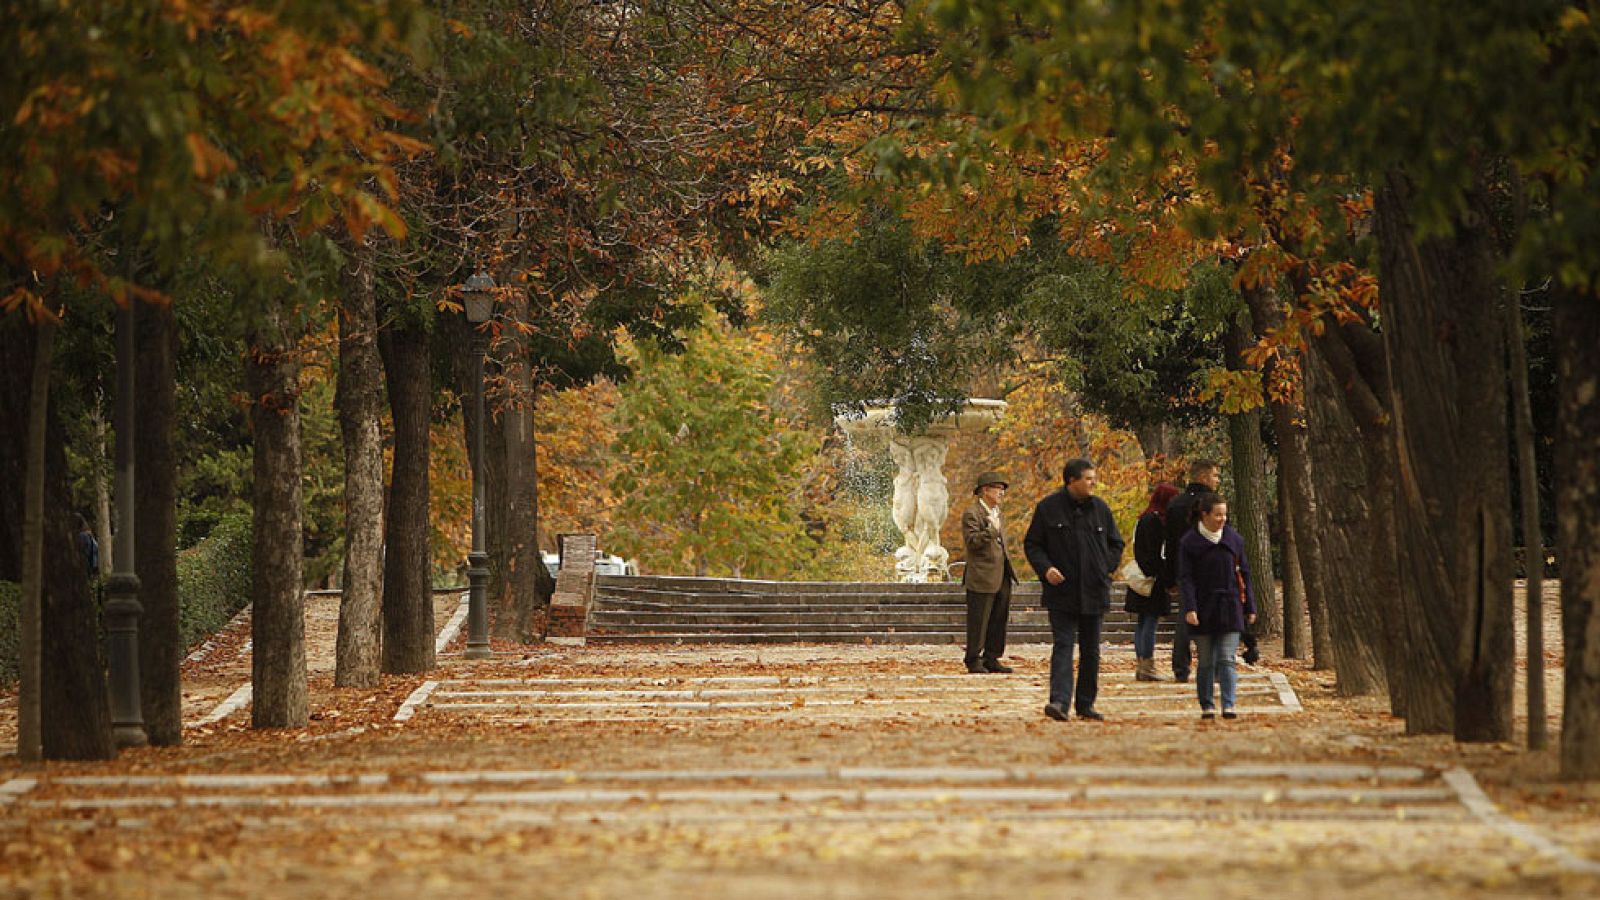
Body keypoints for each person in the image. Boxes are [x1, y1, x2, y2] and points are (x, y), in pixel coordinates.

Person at [1024, 458, 1124, 722]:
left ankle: (1086, 704)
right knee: (1064, 646)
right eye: (1089, 478)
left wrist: (1105, 567)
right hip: (1062, 592)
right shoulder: (1048, 509)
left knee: (1091, 651)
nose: (1094, 483)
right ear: (1072, 480)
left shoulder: (1101, 509)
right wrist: (1046, 569)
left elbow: (1117, 543)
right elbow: (1033, 545)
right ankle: (1059, 701)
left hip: (1094, 590)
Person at [1177, 493, 1258, 720]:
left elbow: (1245, 575)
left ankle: (1229, 704)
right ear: (1205, 515)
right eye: (1217, 514)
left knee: (1226, 657)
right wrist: (1190, 608)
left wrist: (1250, 606)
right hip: (1202, 608)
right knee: (1206, 660)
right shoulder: (1189, 542)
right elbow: (1186, 578)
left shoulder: (1234, 540)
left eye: (1225, 514)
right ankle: (1207, 704)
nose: (1222, 519)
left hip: (1230, 606)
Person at [1162, 459, 1221, 682]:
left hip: (1183, 568)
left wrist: (1170, 577)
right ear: (1204, 477)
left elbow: (1169, 543)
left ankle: (1180, 666)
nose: (1217, 480)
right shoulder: (1214, 504)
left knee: (1185, 616)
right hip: (1210, 568)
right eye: (1215, 475)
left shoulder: (1176, 504)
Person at [961, 471, 1017, 674]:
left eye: (1003, 489)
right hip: (981, 575)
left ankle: (992, 657)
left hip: (1002, 573)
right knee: (979, 619)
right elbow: (972, 542)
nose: (1002, 493)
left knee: (999, 618)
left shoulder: (997, 513)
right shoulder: (972, 513)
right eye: (998, 488)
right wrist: (991, 530)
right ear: (985, 490)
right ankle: (973, 659)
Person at [1125, 483, 1180, 682]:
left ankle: (1142, 664)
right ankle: (1147, 665)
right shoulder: (1156, 521)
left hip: (1143, 577)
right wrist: (1165, 577)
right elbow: (1156, 553)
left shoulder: (1143, 519)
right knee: (1149, 621)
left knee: (1143, 622)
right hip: (1152, 580)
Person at [75, 514, 99, 580]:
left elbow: (84, 552)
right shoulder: (88, 534)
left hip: (85, 566)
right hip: (91, 566)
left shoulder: (82, 536)